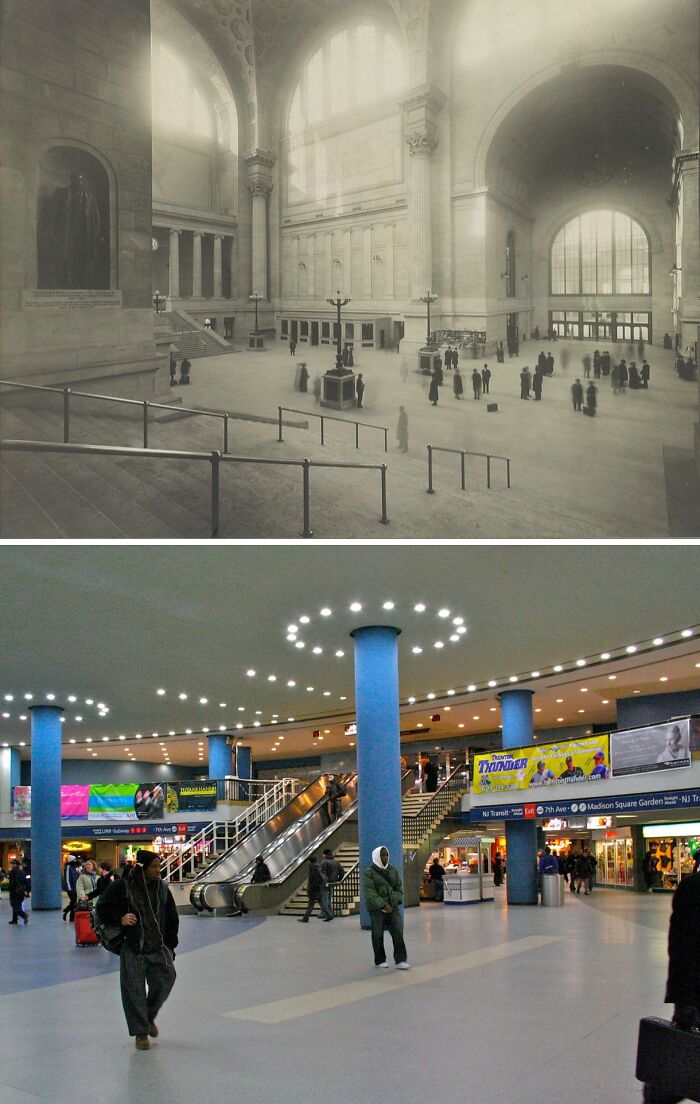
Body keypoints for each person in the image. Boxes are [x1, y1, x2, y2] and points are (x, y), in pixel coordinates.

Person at [95, 850, 178, 1050]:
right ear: (143, 868)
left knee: (167, 978)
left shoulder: (162, 889)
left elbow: (171, 917)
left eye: (159, 866)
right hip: (133, 947)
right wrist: (120, 918)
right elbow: (102, 908)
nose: (158, 871)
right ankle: (141, 1033)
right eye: (154, 867)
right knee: (134, 990)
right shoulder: (123, 887)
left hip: (158, 946)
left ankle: (148, 1016)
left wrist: (171, 945)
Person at [641, 869, 700, 1103]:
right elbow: (682, 948)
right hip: (695, 996)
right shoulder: (694, 888)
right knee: (675, 1068)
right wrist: (685, 1000)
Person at [363, 846, 410, 970]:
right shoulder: (369, 872)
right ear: (377, 857)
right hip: (377, 910)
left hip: (392, 908)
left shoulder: (392, 870)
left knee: (398, 932)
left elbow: (399, 889)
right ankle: (380, 959)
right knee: (377, 934)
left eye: (386, 855)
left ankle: (400, 960)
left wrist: (393, 901)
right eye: (382, 855)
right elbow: (370, 892)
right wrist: (383, 904)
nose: (385, 858)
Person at [298, 854, 332, 922]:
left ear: (310, 861)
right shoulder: (317, 866)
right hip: (318, 888)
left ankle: (305, 918)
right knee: (321, 902)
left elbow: (319, 877)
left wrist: (311, 887)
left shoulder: (314, 867)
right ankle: (329, 915)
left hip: (314, 889)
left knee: (311, 904)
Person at [321, 848, 346, 918]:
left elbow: (322, 873)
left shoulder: (324, 862)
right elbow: (342, 872)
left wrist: (324, 881)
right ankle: (330, 912)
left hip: (326, 883)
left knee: (324, 898)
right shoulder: (337, 862)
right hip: (333, 882)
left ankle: (325, 913)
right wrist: (338, 879)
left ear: (325, 855)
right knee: (329, 898)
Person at [8, 859, 29, 925]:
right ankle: (14, 920)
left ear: (14, 864)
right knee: (18, 904)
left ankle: (24, 915)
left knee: (14, 905)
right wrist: (27, 891)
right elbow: (26, 882)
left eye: (12, 864)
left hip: (15, 891)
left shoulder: (12, 871)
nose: (12, 865)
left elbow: (11, 882)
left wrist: (10, 889)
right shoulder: (22, 871)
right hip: (21, 891)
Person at [62, 854, 81, 922]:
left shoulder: (74, 868)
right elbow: (67, 878)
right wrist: (69, 888)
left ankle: (70, 915)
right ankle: (67, 912)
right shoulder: (68, 867)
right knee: (74, 902)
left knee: (74, 903)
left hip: (75, 888)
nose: (75, 861)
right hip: (71, 888)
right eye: (74, 860)